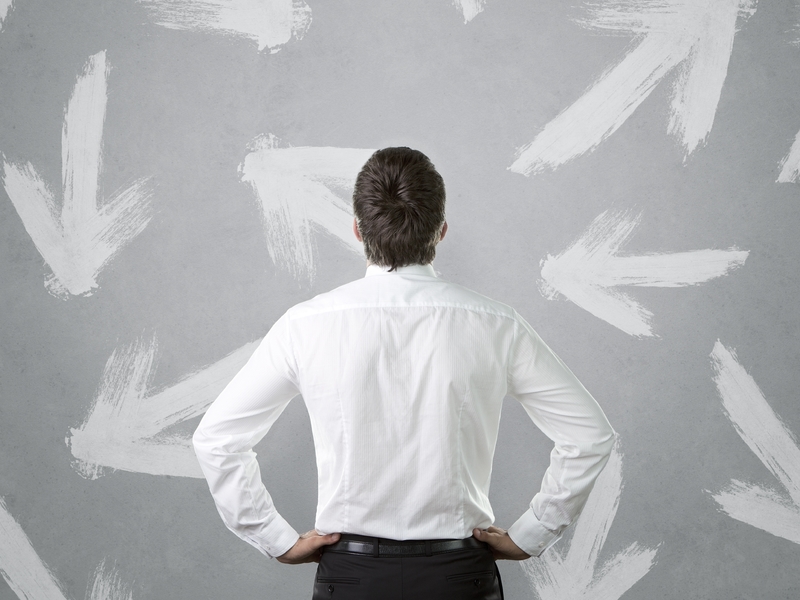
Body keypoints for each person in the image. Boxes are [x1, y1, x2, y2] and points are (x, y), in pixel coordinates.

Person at [193, 147, 615, 599]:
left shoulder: (305, 325)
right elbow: (590, 435)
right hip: (459, 576)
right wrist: (533, 533)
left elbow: (217, 439)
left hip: (351, 577)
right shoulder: (496, 324)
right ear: (442, 231)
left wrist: (275, 540)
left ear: (357, 230)